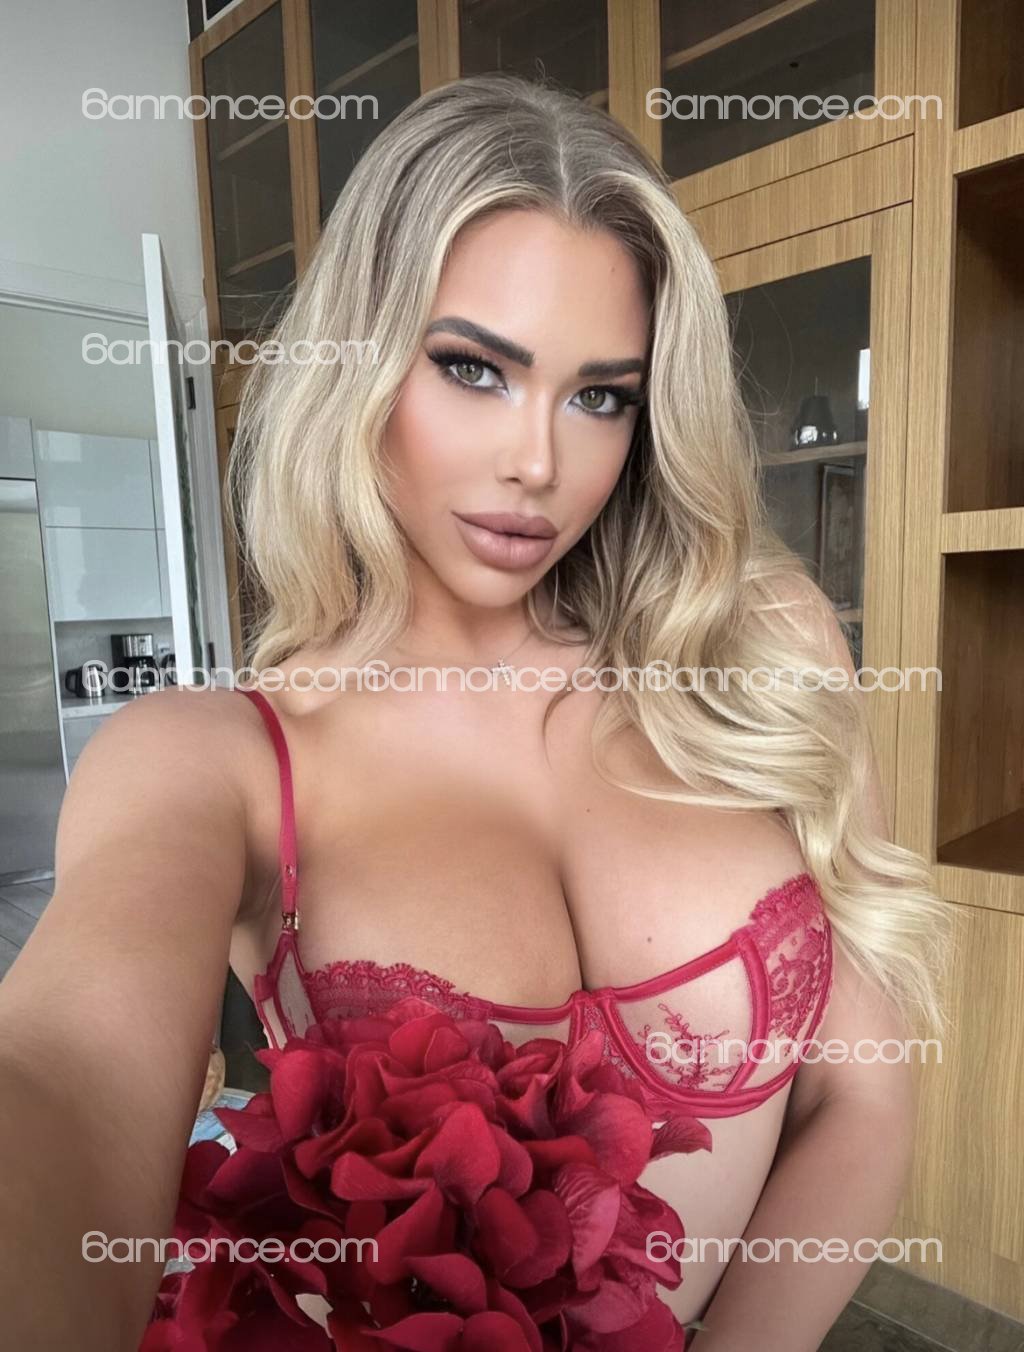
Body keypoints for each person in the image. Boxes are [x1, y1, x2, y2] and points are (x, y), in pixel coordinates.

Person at [0, 73, 950, 1350]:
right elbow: (58, 1079)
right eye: (471, 368)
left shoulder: (755, 643)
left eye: (600, 394)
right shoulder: (216, 761)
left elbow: (862, 1095)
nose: (537, 464)